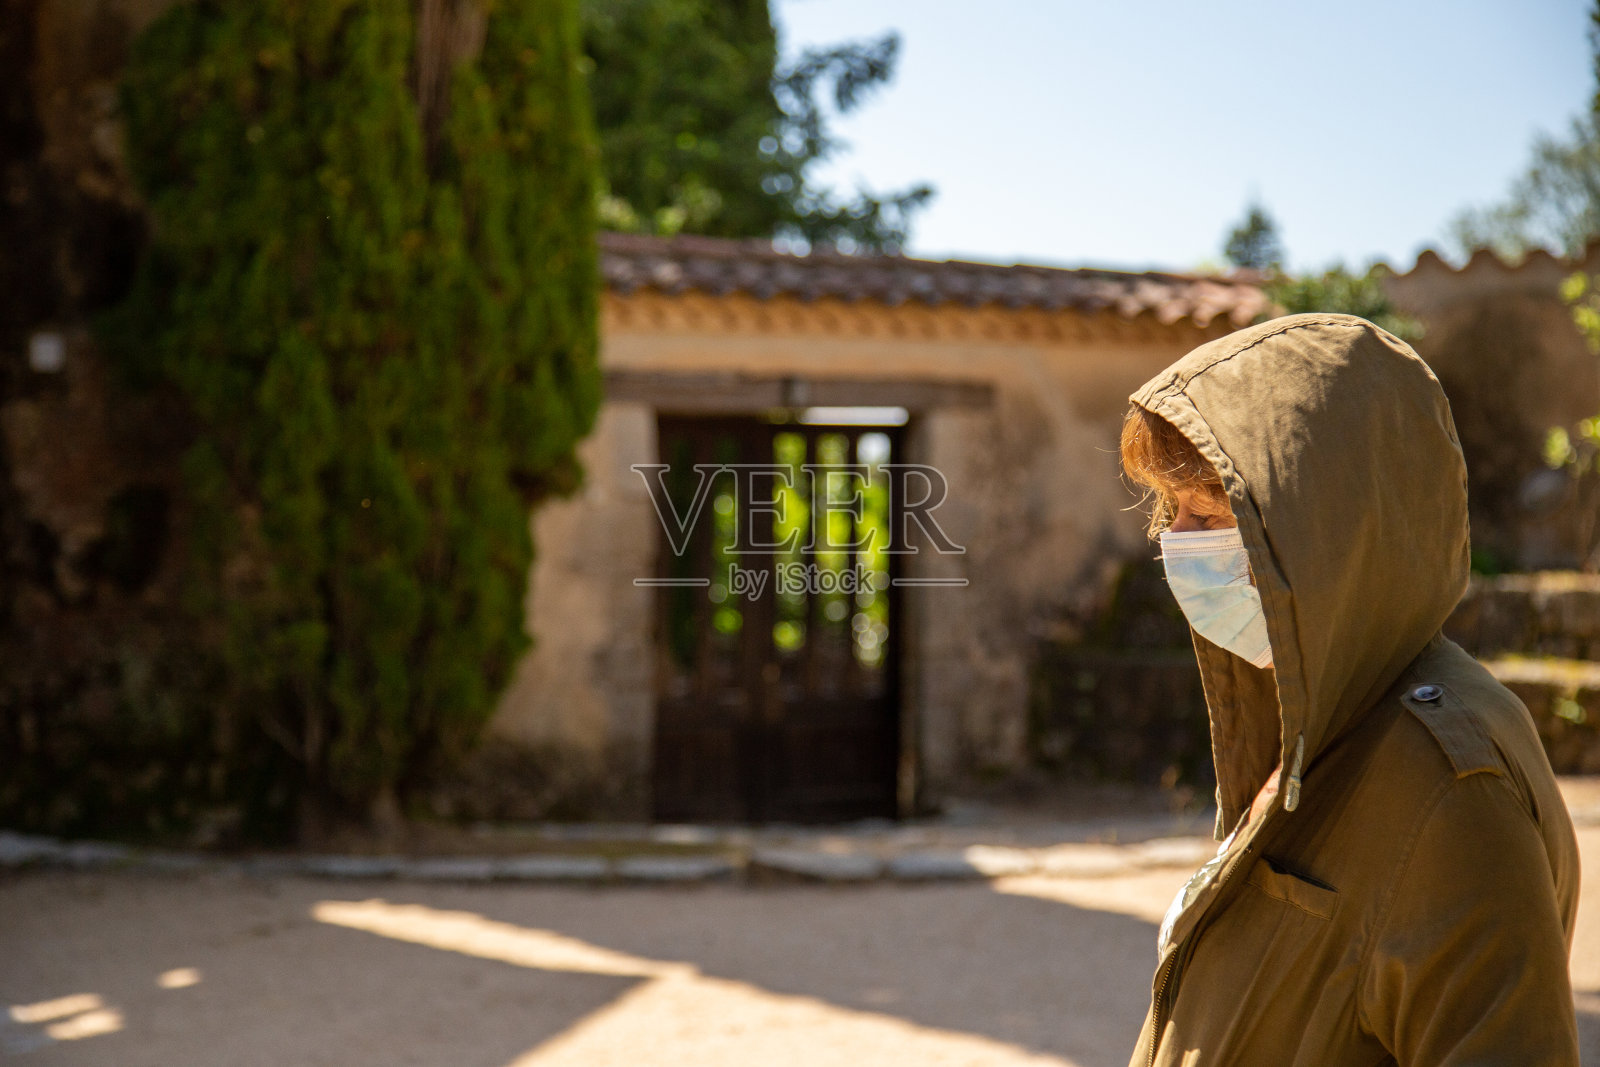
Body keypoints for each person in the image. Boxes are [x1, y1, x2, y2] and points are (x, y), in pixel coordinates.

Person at [1116, 312, 1580, 1066]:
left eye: (1209, 512)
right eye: (1173, 514)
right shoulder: (1328, 709)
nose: (1176, 543)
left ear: (1326, 518)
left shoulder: (1454, 790)